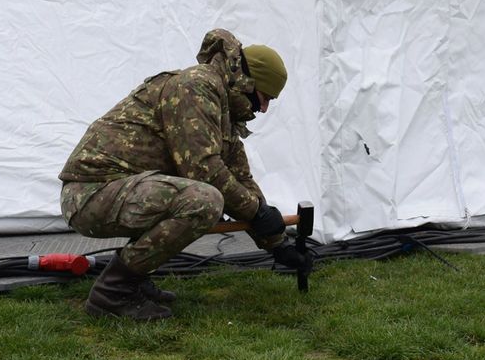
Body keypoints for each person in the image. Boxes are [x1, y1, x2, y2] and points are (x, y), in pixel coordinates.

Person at [58, 28, 306, 320]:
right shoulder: (197, 87)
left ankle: (134, 280)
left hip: (120, 189)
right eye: (265, 98)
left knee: (204, 196)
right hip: (90, 193)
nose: (263, 109)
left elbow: (240, 180)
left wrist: (277, 243)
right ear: (249, 82)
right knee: (204, 200)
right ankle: (112, 293)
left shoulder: (221, 106)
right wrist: (256, 213)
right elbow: (205, 170)